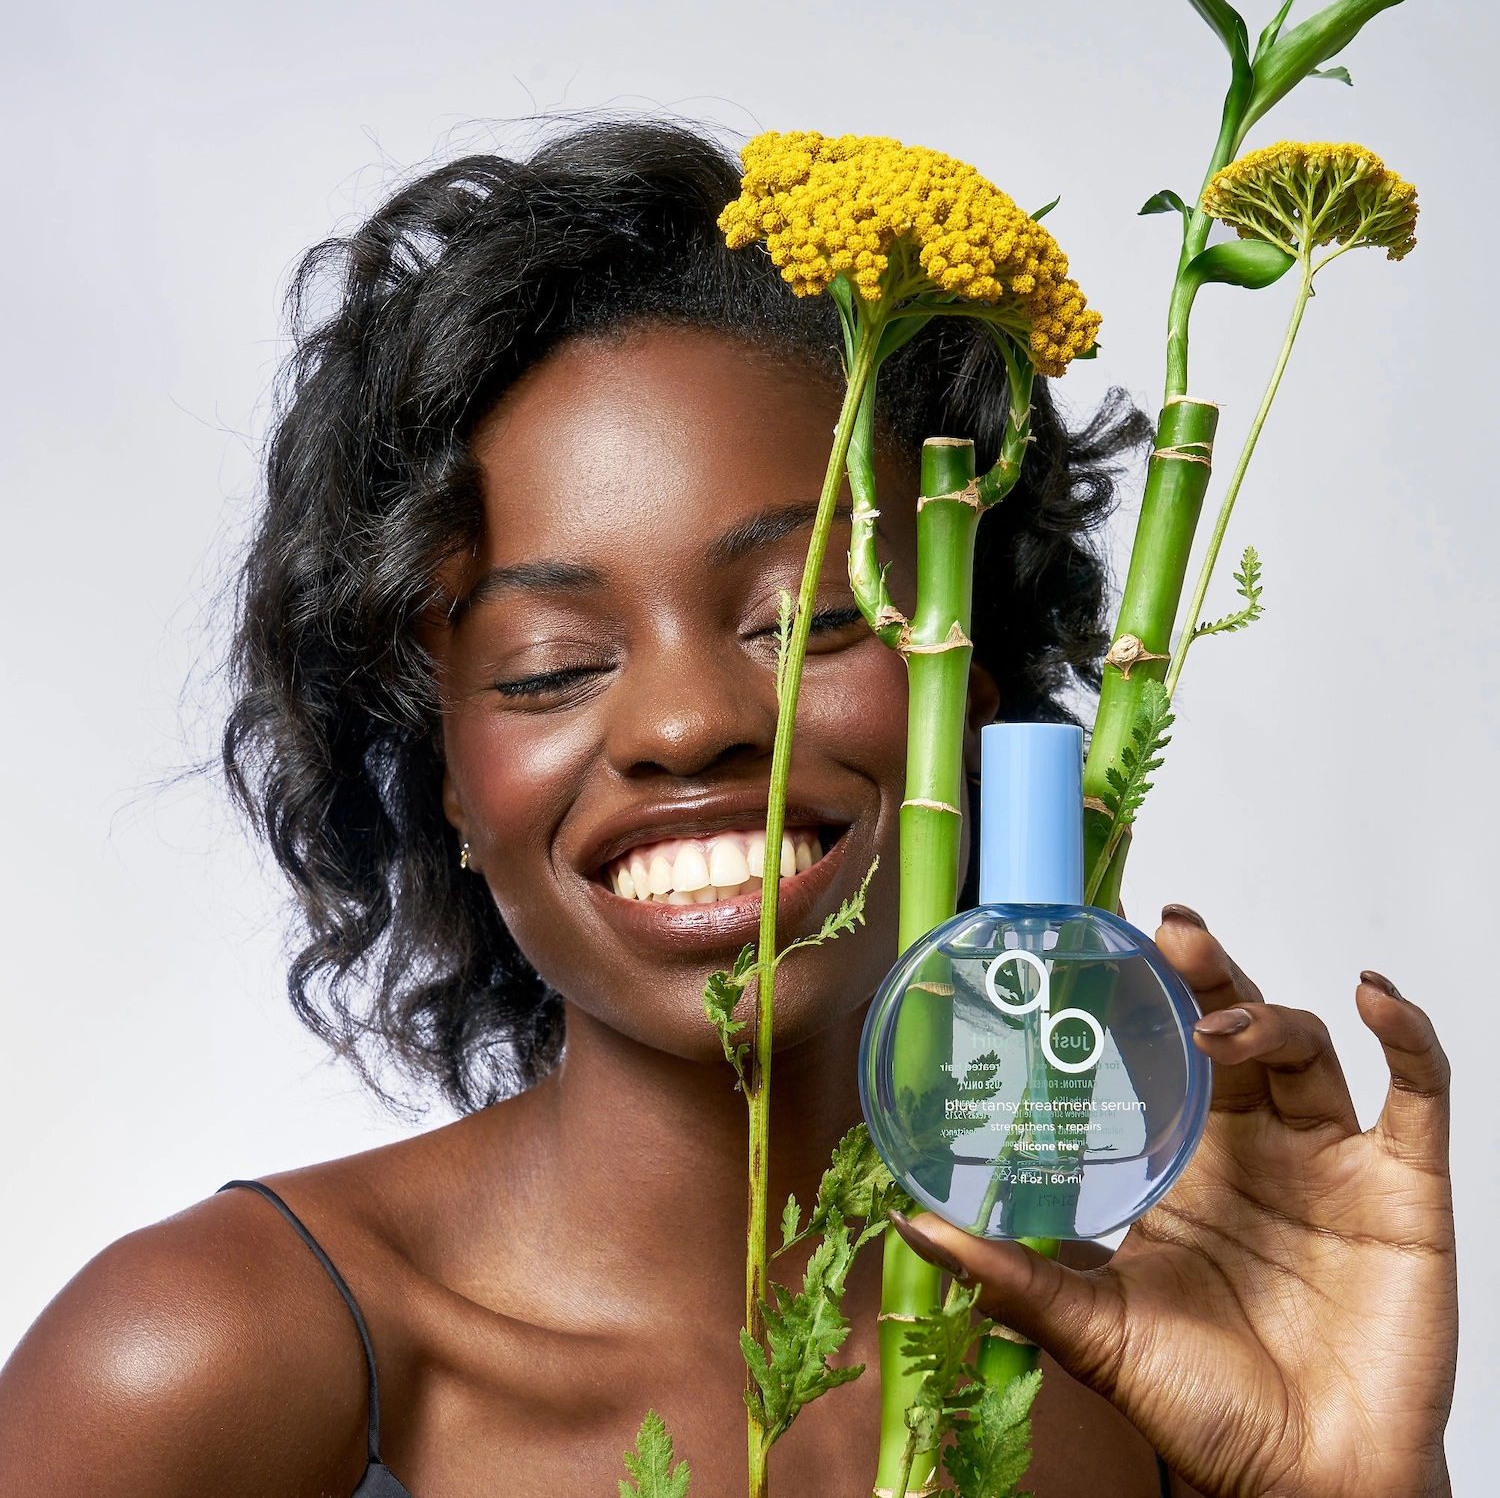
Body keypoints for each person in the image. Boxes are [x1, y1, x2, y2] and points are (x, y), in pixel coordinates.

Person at [0, 121, 1456, 1498]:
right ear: (446, 777)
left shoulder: (1155, 1388)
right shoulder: (205, 1361)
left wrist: (1341, 1480)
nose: (690, 724)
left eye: (805, 619)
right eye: (552, 665)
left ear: (975, 698)